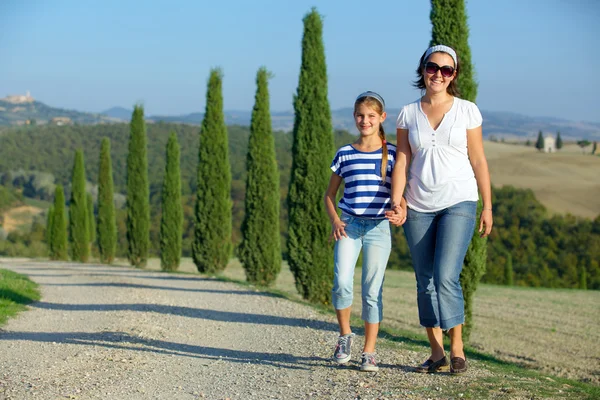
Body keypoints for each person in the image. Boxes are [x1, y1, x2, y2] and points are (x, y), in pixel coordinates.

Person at [390, 44, 493, 374]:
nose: (438, 74)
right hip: (418, 205)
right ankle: (436, 352)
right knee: (425, 281)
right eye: (433, 67)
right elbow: (403, 159)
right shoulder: (407, 113)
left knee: (447, 276)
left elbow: (478, 159)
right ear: (423, 69)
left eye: (446, 70)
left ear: (454, 75)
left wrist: (488, 206)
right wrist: (397, 199)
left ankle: (458, 348)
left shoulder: (467, 111)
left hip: (459, 201)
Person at [324, 91, 402, 372]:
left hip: (379, 229)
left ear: (382, 118)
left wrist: (401, 209)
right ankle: (344, 336)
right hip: (350, 225)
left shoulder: (392, 154)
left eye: (371, 116)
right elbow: (329, 195)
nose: (364, 120)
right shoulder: (344, 153)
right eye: (360, 115)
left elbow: (400, 194)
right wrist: (335, 221)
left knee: (372, 291)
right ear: (354, 117)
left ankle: (369, 351)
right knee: (342, 281)